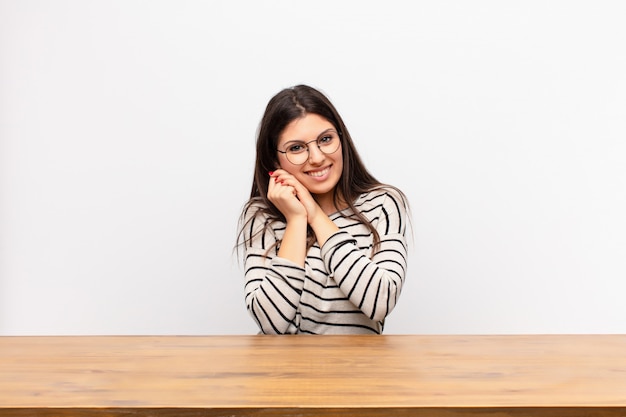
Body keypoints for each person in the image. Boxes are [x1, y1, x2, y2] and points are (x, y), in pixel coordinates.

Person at [237, 84, 410, 334]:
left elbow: (379, 301)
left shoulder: (383, 204)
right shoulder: (261, 216)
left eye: (326, 139)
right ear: (274, 160)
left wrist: (316, 216)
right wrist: (296, 219)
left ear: (341, 138)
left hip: (358, 371)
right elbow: (270, 324)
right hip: (282, 372)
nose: (317, 157)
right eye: (296, 148)